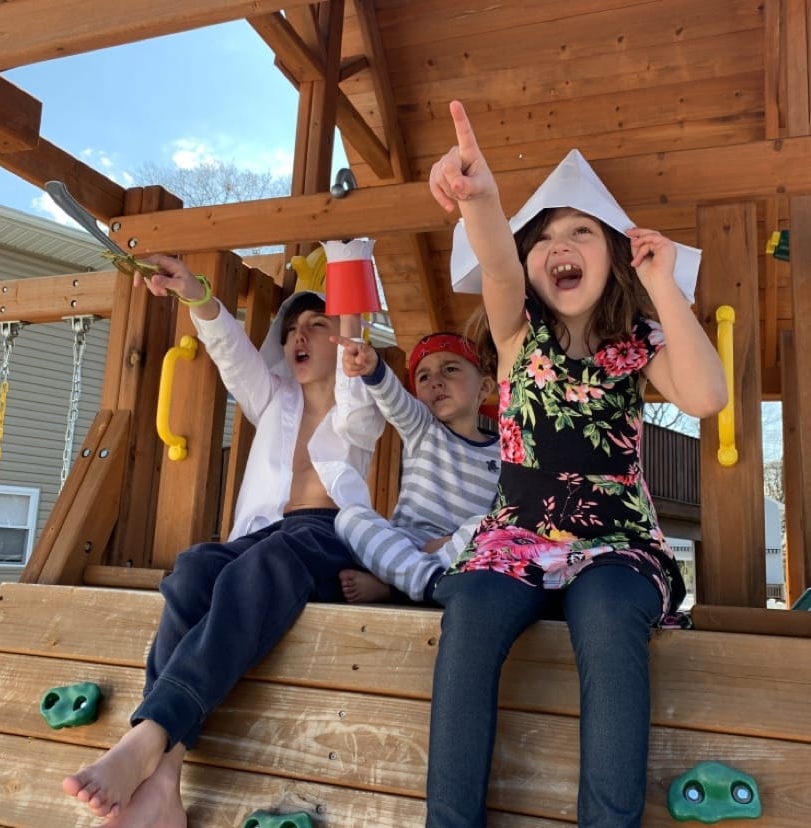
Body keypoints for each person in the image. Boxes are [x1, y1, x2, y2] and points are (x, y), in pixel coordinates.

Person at [425, 100, 728, 827]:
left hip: (615, 541)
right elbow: (495, 258)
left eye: (582, 232)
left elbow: (708, 394)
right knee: (469, 608)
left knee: (609, 613)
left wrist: (662, 286)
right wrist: (483, 199)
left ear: (614, 254)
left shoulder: (636, 344)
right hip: (516, 536)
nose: (562, 244)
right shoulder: (516, 332)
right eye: (546, 239)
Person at [62, 254, 384, 828]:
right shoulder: (273, 402)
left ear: (343, 340)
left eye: (316, 326)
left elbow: (354, 344)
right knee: (191, 569)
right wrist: (194, 291)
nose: (299, 337)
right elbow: (230, 350)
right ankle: (164, 782)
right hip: (262, 535)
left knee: (255, 569)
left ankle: (149, 735)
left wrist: (345, 254)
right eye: (290, 333)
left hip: (326, 536)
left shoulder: (360, 405)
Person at [332, 331, 500, 605]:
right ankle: (430, 585)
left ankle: (397, 588)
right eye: (424, 377)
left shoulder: (503, 452)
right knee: (348, 517)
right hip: (406, 542)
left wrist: (447, 541)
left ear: (484, 387)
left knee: (488, 528)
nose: (436, 382)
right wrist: (373, 368)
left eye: (450, 369)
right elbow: (394, 399)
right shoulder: (423, 427)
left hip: (454, 549)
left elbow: (500, 514)